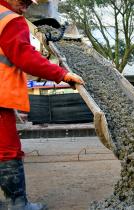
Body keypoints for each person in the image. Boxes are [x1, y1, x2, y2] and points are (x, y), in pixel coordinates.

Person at [0, 0, 84, 209]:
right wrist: (62, 74)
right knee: (7, 150)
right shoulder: (10, 20)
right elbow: (26, 57)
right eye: (23, 1)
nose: (26, 7)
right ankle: (17, 204)